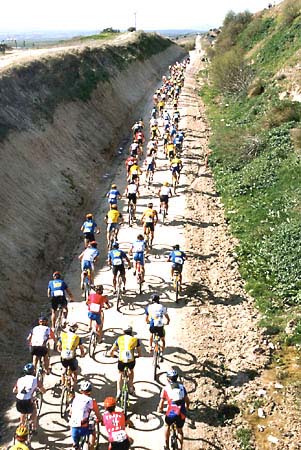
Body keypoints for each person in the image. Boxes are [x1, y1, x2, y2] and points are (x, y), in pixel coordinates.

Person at [157, 369, 190, 450]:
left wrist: (160, 409)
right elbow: (187, 400)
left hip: (171, 412)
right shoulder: (182, 387)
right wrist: (187, 407)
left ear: (168, 379)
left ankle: (167, 447)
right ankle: (180, 448)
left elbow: (161, 403)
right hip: (181, 412)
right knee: (180, 431)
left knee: (167, 425)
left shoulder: (165, 388)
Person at [109, 325, 141, 397]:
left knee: (120, 373)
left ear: (123, 332)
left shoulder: (119, 339)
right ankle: (130, 387)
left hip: (121, 360)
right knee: (131, 370)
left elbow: (111, 351)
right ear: (131, 332)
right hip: (131, 360)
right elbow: (139, 352)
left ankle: (119, 391)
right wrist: (138, 355)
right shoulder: (135, 339)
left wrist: (113, 355)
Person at [13, 363, 46, 433]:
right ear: (34, 371)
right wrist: (43, 391)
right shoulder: (35, 379)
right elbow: (42, 390)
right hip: (27, 401)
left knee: (23, 412)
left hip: (18, 401)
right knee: (34, 411)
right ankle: (33, 427)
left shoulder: (20, 379)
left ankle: (22, 425)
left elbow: (14, 390)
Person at [69, 380, 101, 450]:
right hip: (83, 428)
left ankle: (75, 444)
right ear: (90, 391)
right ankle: (92, 446)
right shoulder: (91, 401)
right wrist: (100, 419)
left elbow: (71, 412)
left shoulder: (75, 398)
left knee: (76, 445)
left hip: (73, 427)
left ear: (81, 390)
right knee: (92, 430)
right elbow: (98, 415)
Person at [57, 322, 85, 387]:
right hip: (72, 358)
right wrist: (82, 354)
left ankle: (63, 382)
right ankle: (74, 384)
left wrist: (60, 351)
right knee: (75, 371)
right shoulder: (77, 338)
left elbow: (58, 347)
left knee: (64, 368)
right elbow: (81, 348)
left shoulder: (63, 335)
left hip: (63, 357)